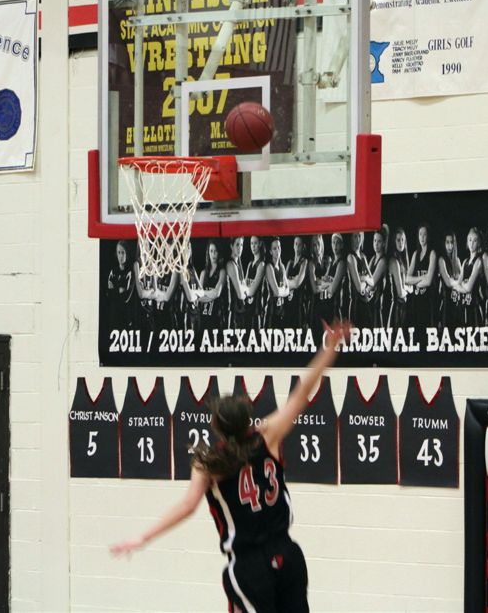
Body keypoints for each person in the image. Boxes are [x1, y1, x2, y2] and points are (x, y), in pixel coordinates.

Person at [110, 322, 352, 613]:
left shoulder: (209, 463)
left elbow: (187, 506)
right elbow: (301, 395)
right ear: (246, 418)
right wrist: (330, 348)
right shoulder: (268, 436)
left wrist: (143, 537)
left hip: (250, 566)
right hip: (288, 556)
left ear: (216, 426)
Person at [404, 224, 438, 330]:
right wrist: (422, 277)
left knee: (428, 332)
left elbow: (428, 281)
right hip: (417, 301)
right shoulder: (415, 254)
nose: (422, 237)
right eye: (420, 234)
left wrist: (415, 282)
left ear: (428, 236)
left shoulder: (432, 254)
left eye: (424, 234)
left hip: (429, 301)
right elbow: (407, 279)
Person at [198, 240, 228, 332]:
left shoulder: (222, 272)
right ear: (208, 253)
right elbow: (198, 297)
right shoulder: (203, 273)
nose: (213, 254)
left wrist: (203, 293)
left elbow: (217, 293)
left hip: (217, 318)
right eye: (211, 251)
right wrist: (210, 293)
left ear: (219, 253)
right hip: (203, 317)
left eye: (215, 251)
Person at [106, 241, 136, 331]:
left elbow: (126, 296)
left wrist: (115, 290)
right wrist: (119, 290)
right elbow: (108, 293)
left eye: (123, 252)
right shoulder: (113, 272)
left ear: (127, 253)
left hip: (126, 315)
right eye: (119, 252)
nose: (121, 256)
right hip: (114, 313)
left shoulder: (130, 272)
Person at [458, 228, 485, 327]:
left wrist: (463, 284)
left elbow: (469, 287)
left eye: (475, 240)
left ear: (478, 243)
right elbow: (457, 285)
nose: (472, 243)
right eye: (470, 240)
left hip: (475, 307)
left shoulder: (479, 261)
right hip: (464, 305)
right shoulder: (465, 262)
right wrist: (463, 285)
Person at [438, 231, 463, 329]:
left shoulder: (457, 260)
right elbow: (448, 282)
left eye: (451, 242)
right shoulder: (442, 260)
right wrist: (458, 281)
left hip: (458, 303)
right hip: (446, 304)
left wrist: (457, 281)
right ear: (444, 244)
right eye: (447, 242)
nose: (449, 245)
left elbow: (464, 282)